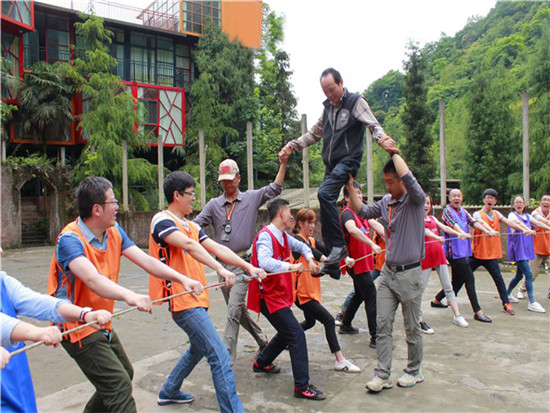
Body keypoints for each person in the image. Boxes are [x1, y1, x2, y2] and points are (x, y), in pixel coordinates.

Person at [47, 176, 204, 413]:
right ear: (97, 209)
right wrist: (131, 296)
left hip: (100, 321)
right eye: (114, 201)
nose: (118, 207)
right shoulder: (70, 240)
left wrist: (182, 279)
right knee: (118, 384)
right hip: (75, 326)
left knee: (124, 373)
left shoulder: (113, 231)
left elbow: (145, 260)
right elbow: (93, 280)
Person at [149, 171, 266, 412]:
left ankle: (169, 390)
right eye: (190, 194)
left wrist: (248, 266)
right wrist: (220, 270)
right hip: (183, 301)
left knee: (199, 347)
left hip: (197, 299)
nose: (194, 198)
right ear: (176, 195)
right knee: (219, 355)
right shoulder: (162, 221)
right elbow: (190, 246)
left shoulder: (190, 225)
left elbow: (215, 246)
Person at [278, 67, 399, 274]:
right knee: (326, 203)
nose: (330, 95)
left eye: (332, 89)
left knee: (324, 194)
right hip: (332, 165)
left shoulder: (355, 102)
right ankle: (334, 264)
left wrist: (383, 139)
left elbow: (373, 125)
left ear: (341, 83)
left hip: (348, 161)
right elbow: (313, 134)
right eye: (325, 91)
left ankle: (338, 247)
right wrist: (292, 145)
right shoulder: (327, 110)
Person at [346, 153, 426, 392]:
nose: (388, 185)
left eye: (392, 181)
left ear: (401, 179)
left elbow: (410, 179)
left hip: (410, 274)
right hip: (388, 274)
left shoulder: (415, 201)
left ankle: (414, 370)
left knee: (411, 326)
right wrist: (349, 185)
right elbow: (362, 210)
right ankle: (382, 374)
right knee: (382, 324)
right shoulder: (385, 203)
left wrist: (394, 153)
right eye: (386, 181)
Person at [194, 158, 286, 364]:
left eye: (230, 179)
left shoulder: (251, 198)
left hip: (243, 263)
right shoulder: (214, 205)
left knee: (233, 310)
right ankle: (263, 339)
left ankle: (226, 358)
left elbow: (275, 188)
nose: (227, 184)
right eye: (223, 180)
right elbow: (195, 225)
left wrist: (283, 163)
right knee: (237, 310)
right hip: (222, 265)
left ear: (238, 178)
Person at [1, 266, 111, 412]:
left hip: (14, 379)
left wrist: (84, 314)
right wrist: (35, 332)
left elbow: (37, 302)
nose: (1, 251)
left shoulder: (3, 282)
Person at [247, 198, 326, 400]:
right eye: (289, 212)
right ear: (281, 213)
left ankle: (262, 361)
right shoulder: (266, 236)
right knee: (296, 334)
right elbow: (264, 261)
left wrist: (310, 260)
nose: (292, 216)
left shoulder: (283, 235)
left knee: (287, 331)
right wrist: (290, 267)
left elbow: (301, 247)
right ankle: (302, 386)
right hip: (267, 296)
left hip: (278, 296)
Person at [290, 208, 360, 373]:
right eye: (309, 222)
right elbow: (315, 253)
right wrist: (325, 260)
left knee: (310, 322)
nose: (312, 225)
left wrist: (345, 258)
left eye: (313, 222)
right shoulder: (296, 241)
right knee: (328, 320)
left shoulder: (312, 241)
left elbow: (326, 251)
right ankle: (340, 360)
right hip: (302, 294)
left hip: (311, 292)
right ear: (300, 223)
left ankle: (285, 338)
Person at [431, 189, 493, 323]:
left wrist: (487, 231)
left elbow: (473, 223)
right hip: (453, 253)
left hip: (464, 252)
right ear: (449, 198)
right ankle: (478, 311)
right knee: (469, 278)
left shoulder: (464, 212)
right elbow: (453, 225)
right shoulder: (447, 212)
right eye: (454, 196)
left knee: (457, 282)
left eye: (459, 196)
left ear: (462, 198)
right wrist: (460, 233)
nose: (456, 198)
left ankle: (437, 300)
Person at [469, 188, 532, 316]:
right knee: (462, 276)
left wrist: (524, 229)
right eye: (487, 197)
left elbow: (509, 222)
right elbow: (479, 222)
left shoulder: (497, 214)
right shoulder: (477, 213)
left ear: (495, 201)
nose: (489, 199)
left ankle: (506, 303)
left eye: (492, 198)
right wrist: (488, 231)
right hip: (477, 254)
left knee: (499, 279)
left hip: (490, 255)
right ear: (483, 200)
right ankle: (442, 297)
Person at [338, 181, 384, 347]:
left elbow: (376, 224)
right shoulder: (348, 213)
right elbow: (352, 230)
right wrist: (372, 244)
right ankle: (375, 337)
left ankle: (346, 324)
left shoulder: (362, 212)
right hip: (355, 264)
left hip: (365, 262)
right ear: (346, 197)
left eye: (360, 193)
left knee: (359, 293)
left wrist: (390, 238)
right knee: (371, 296)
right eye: (354, 193)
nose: (358, 196)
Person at [422, 195, 469, 328]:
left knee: (448, 286)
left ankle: (457, 316)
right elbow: (424, 231)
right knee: (420, 288)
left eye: (428, 203)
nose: (425, 206)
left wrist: (458, 234)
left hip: (439, 256)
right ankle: (417, 317)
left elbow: (445, 227)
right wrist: (436, 236)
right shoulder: (417, 219)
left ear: (431, 206)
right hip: (425, 258)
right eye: (423, 203)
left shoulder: (432, 218)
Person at [505, 195, 550, 312]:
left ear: (524, 205)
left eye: (521, 202)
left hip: (526, 250)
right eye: (516, 203)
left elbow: (538, 223)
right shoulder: (511, 215)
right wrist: (527, 229)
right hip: (518, 250)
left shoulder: (527, 216)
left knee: (519, 275)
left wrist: (548, 228)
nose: (519, 204)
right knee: (529, 274)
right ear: (514, 205)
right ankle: (532, 301)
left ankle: (507, 294)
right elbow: (516, 224)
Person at [518, 194, 550, 299]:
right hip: (536, 250)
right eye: (544, 200)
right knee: (532, 274)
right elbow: (541, 221)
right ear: (540, 202)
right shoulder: (535, 213)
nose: (546, 202)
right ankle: (522, 290)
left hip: (548, 249)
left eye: (548, 201)